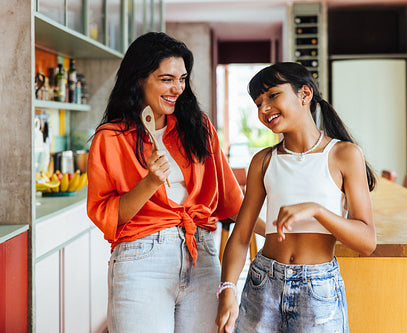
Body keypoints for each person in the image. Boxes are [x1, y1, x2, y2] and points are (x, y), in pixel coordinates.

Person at [87, 32, 245, 333]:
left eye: (182, 79)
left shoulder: (199, 128)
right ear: (139, 79)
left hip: (202, 255)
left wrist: (277, 231)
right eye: (166, 79)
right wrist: (150, 182)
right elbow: (109, 216)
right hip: (142, 259)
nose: (178, 88)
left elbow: (232, 202)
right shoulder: (111, 138)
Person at [216, 62, 377, 333]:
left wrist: (317, 211)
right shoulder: (263, 161)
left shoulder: (344, 155)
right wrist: (228, 290)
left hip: (319, 290)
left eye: (272, 95)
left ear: (305, 94)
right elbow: (241, 236)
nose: (264, 108)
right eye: (258, 103)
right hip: (262, 283)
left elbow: (367, 241)